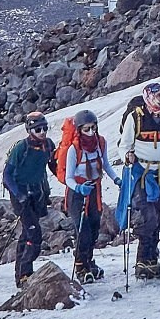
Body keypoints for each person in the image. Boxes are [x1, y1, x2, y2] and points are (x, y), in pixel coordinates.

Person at [116, 84, 160, 280]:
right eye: (159, 94)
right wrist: (127, 156)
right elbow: (124, 145)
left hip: (159, 172)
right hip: (139, 173)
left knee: (157, 215)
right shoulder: (135, 118)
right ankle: (143, 261)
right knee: (148, 216)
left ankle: (150, 260)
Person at [53, 109, 117, 282]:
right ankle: (81, 265)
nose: (90, 132)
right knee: (83, 230)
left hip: (94, 190)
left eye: (93, 128)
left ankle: (89, 261)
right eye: (86, 129)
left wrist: (117, 179)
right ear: (79, 130)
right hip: (77, 193)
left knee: (95, 226)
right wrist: (80, 189)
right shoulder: (74, 149)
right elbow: (69, 178)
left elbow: (105, 165)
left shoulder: (100, 143)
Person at [2, 112, 55, 286]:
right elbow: (7, 175)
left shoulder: (48, 145)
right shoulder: (21, 149)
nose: (42, 132)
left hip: (37, 193)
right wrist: (19, 195)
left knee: (26, 233)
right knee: (34, 234)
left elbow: (54, 166)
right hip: (21, 194)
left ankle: (21, 276)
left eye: (44, 128)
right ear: (29, 130)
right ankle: (25, 273)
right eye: (37, 129)